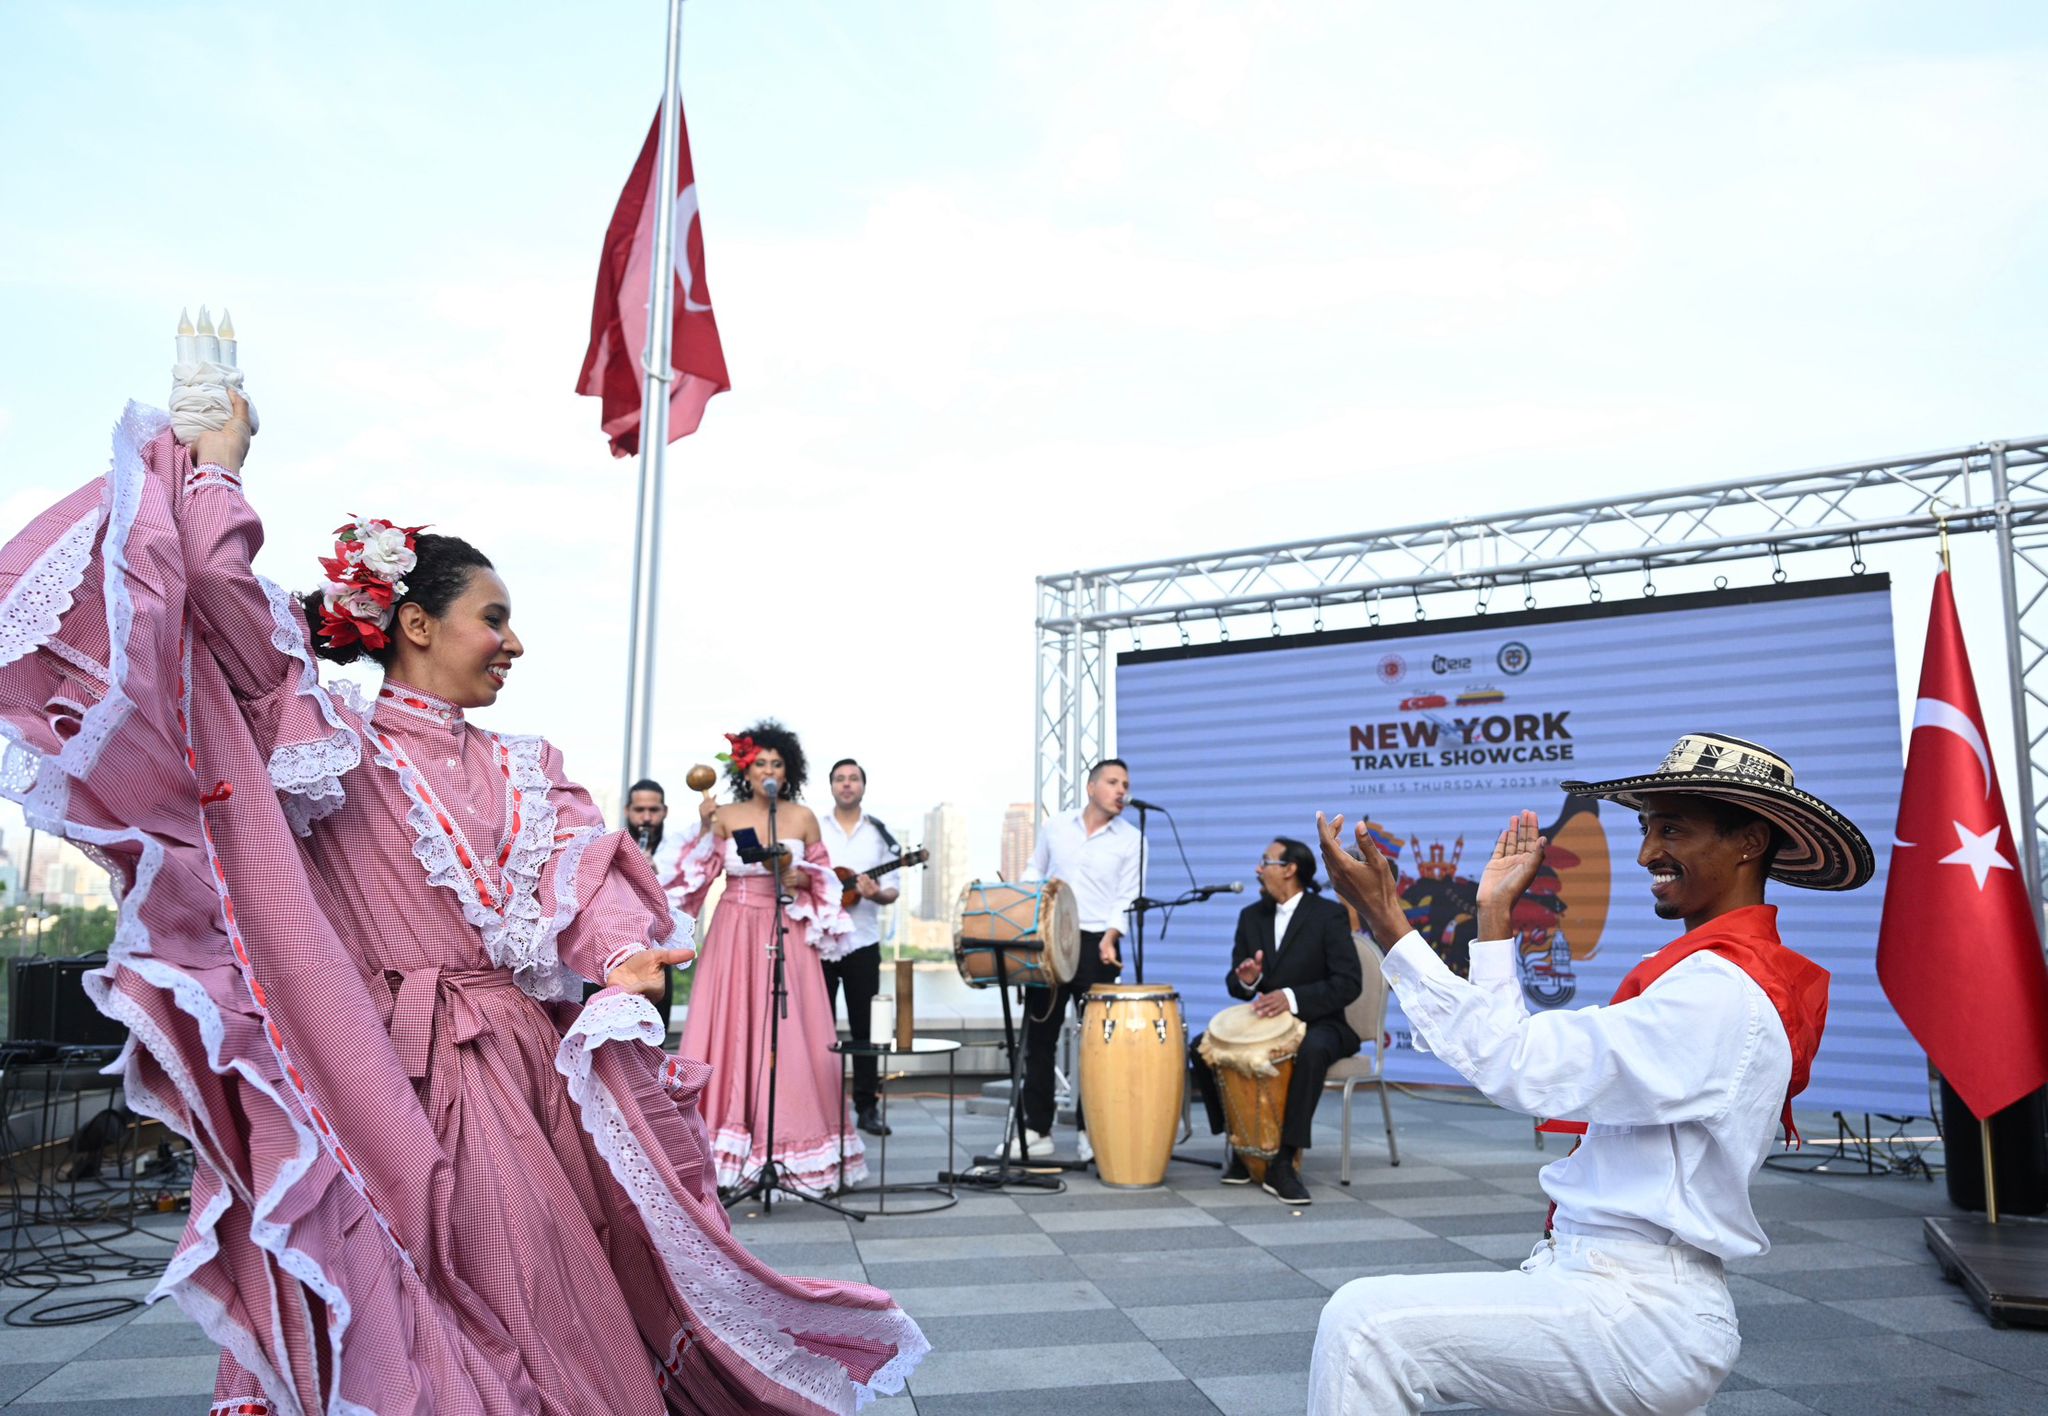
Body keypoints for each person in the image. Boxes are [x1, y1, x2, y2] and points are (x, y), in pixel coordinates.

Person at [0, 395, 924, 1413]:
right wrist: (219, 462)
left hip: (521, 1072)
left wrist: (619, 959)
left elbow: (589, 881)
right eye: (493, 617)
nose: (513, 642)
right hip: (382, 1077)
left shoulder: (532, 769)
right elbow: (216, 593)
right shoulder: (329, 745)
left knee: (545, 1296)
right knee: (419, 1302)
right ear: (413, 623)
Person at [1308, 732, 1872, 1416]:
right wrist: (1491, 917)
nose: (1645, 853)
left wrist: (1386, 917)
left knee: (1364, 1326)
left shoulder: (1720, 996)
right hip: (1610, 1290)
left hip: (1635, 1311)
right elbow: (1513, 1052)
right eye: (1644, 828)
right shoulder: (1720, 979)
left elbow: (1513, 1062)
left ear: (1749, 842)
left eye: (1672, 829)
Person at [675, 721, 867, 1194]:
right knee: (733, 1027)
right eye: (761, 762)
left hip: (789, 931)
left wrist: (800, 877)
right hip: (736, 929)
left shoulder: (802, 817)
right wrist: (703, 825)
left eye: (777, 764)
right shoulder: (723, 814)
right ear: (747, 768)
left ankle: (794, 1145)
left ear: (789, 770)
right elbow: (690, 876)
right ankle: (723, 1146)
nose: (769, 770)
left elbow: (827, 881)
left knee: (794, 1030)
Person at [1188, 836, 1362, 1203]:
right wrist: (1248, 980)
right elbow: (1236, 983)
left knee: (1312, 1050)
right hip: (1266, 1023)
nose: (1257, 868)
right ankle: (1239, 1143)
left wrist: (1292, 998)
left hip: (1323, 1021)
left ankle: (1284, 1159)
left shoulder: (1328, 915)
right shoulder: (1251, 916)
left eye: (1265, 861)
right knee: (1201, 1048)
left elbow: (1348, 984)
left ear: (1289, 869)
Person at [1017, 758, 1141, 1161]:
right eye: (1112, 782)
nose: (1121, 790)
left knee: (1097, 1044)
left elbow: (1127, 897)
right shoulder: (1056, 827)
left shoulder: (1133, 839)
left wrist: (1111, 937)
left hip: (1097, 945)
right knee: (1039, 1039)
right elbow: (1035, 867)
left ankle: (1093, 1130)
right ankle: (1037, 1129)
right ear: (1091, 787)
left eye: (1125, 784)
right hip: (1051, 942)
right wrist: (1029, 907)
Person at [817, 757, 901, 1137]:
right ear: (831, 786)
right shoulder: (815, 829)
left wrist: (876, 892)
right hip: (818, 941)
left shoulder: (880, 834)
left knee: (868, 1027)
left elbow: (893, 888)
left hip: (863, 941)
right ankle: (819, 1104)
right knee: (818, 1026)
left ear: (863, 787)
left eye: (853, 779)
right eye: (840, 779)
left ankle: (867, 1106)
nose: (847, 784)